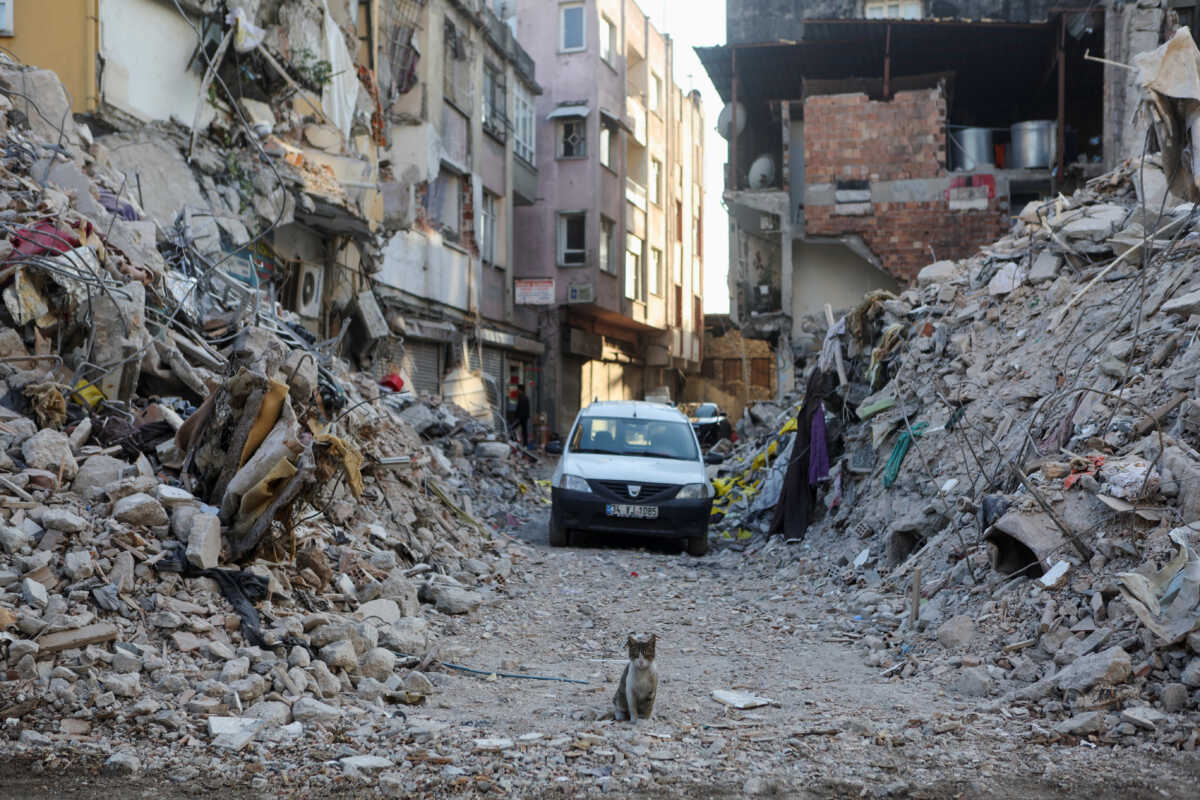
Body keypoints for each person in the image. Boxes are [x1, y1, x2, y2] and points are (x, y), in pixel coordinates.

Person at [769, 369, 833, 542]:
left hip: (801, 457)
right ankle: (795, 532)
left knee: (795, 492)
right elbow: (818, 443)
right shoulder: (816, 408)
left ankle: (790, 529)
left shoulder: (809, 404)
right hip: (806, 459)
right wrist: (820, 473)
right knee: (800, 496)